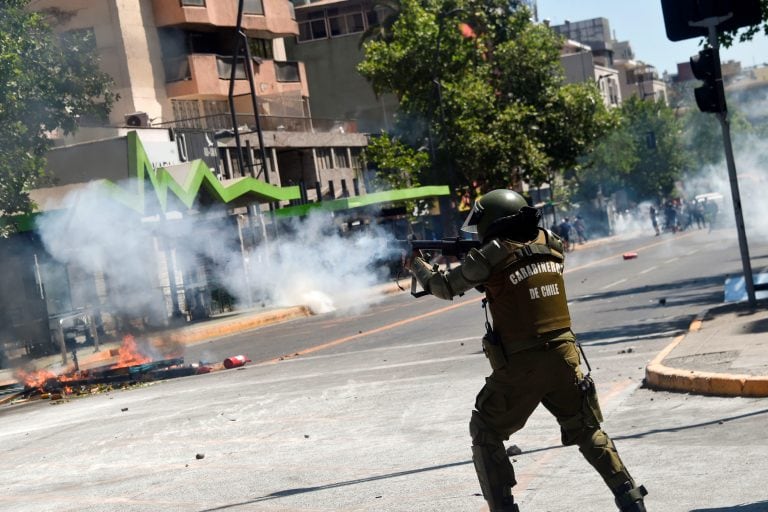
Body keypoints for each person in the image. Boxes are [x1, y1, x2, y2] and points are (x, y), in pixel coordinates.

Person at [410, 189, 647, 512]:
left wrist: (417, 266)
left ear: (492, 222)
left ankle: (503, 508)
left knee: (485, 430)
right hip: (566, 357)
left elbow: (443, 287)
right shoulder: (552, 245)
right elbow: (517, 279)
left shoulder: (491, 255)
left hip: (522, 366)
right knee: (588, 431)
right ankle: (631, 499)